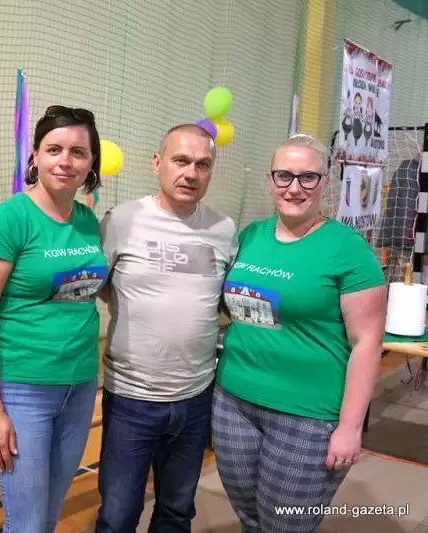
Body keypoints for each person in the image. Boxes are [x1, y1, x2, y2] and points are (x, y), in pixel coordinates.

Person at [213, 133, 386, 533]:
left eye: (308, 177)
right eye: (284, 176)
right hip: (234, 402)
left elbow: (367, 343)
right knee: (250, 518)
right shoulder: (249, 236)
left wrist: (349, 427)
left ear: (325, 181)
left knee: (285, 525)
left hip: (307, 415)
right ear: (270, 180)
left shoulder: (348, 249)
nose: (294, 188)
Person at [0, 105, 107, 532]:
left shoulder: (87, 220)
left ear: (91, 163)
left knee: (47, 515)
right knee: (26, 523)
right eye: (54, 149)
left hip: (79, 387)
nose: (66, 161)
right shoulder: (9, 220)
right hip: (23, 391)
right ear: (35, 157)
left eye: (78, 152)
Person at [95, 124, 238, 533]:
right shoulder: (121, 221)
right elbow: (102, 287)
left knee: (176, 512)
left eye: (202, 164)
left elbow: (222, 300)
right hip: (131, 399)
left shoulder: (224, 229)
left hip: (196, 398)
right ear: (157, 163)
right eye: (181, 161)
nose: (191, 173)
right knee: (118, 516)